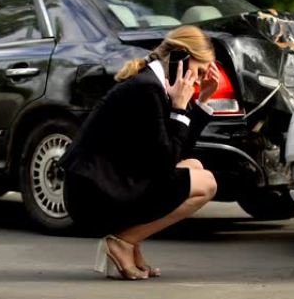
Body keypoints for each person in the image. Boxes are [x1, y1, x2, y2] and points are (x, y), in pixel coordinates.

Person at [60, 25, 220, 280]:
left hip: (110, 184)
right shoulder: (147, 89)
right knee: (207, 183)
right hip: (91, 195)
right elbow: (165, 166)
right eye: (199, 71)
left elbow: (177, 152)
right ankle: (123, 242)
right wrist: (179, 109)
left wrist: (201, 102)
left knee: (195, 166)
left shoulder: (155, 85)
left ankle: (130, 243)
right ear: (180, 56)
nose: (199, 79)